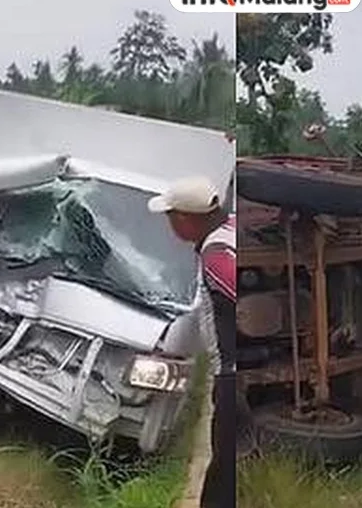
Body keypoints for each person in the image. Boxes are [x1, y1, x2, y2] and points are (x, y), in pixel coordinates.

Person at [147, 176, 234, 508]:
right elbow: (201, 313)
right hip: (228, 375)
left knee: (224, 476)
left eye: (170, 216)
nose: (169, 225)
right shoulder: (226, 233)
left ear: (185, 219)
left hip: (230, 377)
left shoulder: (217, 257)